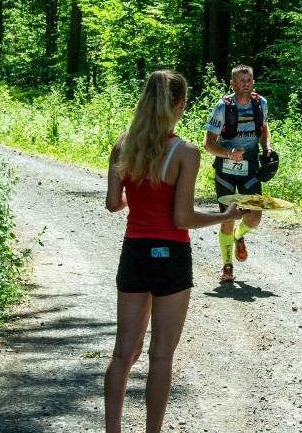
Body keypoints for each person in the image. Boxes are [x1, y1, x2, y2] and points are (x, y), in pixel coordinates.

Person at [104, 70, 244, 433]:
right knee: (160, 355)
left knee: (123, 353)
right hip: (170, 254)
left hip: (133, 252)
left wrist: (137, 201)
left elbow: (112, 204)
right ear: (180, 105)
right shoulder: (184, 151)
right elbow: (182, 217)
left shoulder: (122, 145)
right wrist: (224, 216)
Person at [204, 64, 273, 281]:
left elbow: (264, 130)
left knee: (255, 217)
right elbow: (208, 143)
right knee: (228, 217)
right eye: (241, 81)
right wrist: (228, 152)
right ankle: (227, 266)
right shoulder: (222, 107)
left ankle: (238, 236)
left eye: (249, 80)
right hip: (225, 169)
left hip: (251, 167)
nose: (246, 84)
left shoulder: (260, 104)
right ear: (232, 83)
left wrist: (267, 147)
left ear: (253, 81)